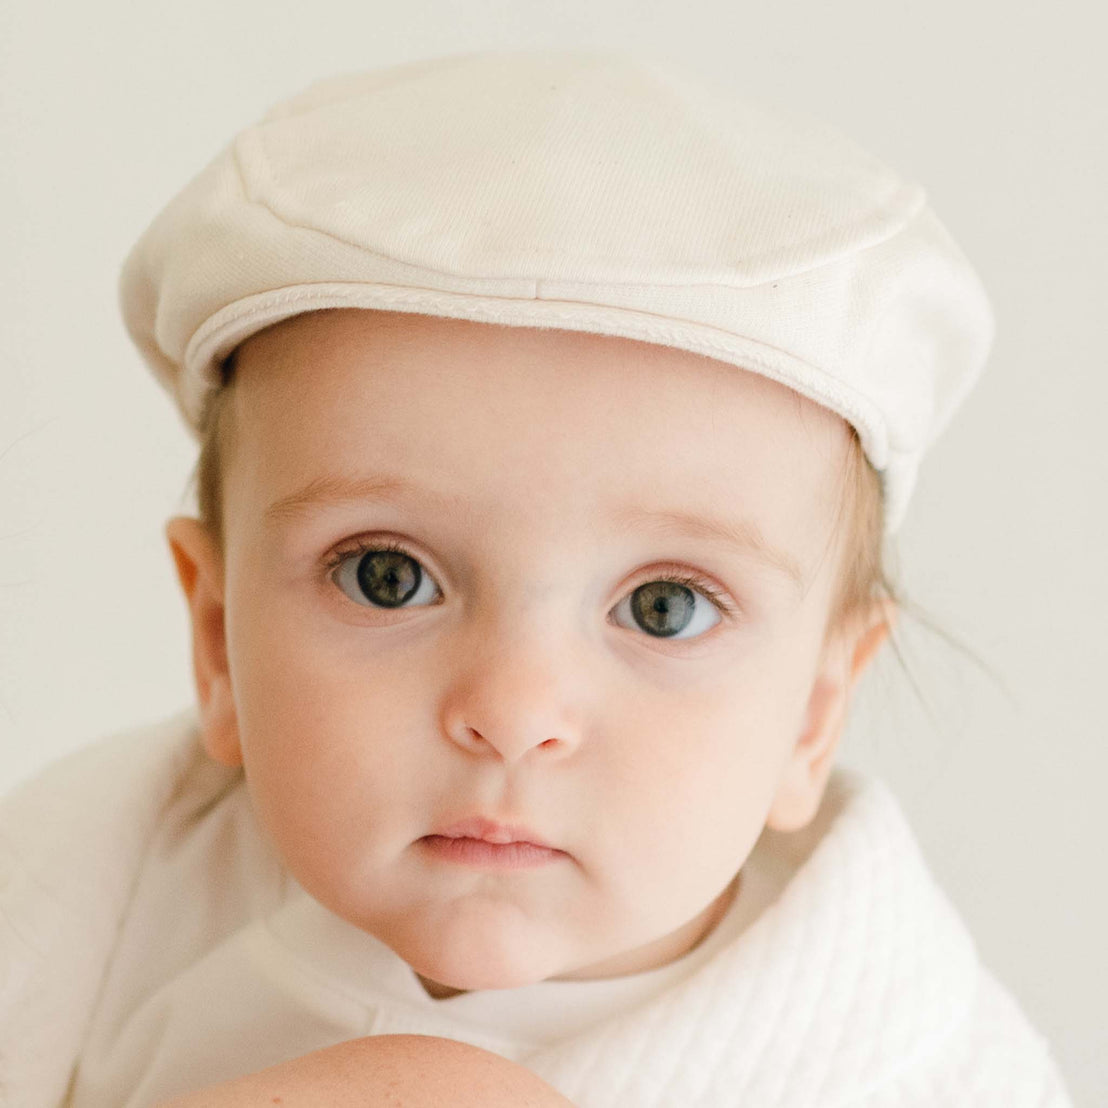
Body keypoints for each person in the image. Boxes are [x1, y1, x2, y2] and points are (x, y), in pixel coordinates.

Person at [0, 48, 1074, 1107]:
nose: (512, 714)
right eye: (387, 576)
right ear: (217, 638)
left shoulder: (912, 1059)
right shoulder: (94, 902)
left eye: (665, 608)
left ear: (814, 713)